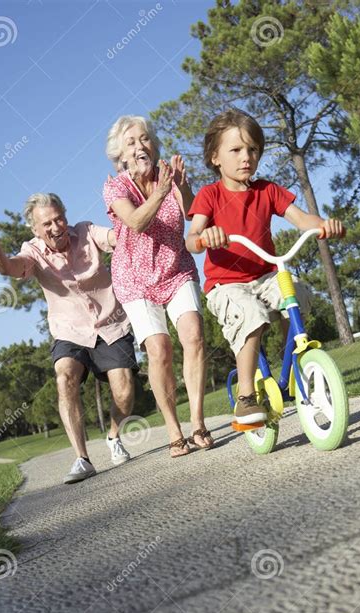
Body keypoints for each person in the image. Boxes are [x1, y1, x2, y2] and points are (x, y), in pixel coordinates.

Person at [186, 109, 345, 425]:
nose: (247, 157)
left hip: (265, 274)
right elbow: (191, 239)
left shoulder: (267, 191)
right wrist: (205, 236)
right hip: (226, 286)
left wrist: (324, 225)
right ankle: (246, 397)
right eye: (236, 150)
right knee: (251, 314)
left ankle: (296, 369)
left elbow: (301, 220)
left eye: (253, 149)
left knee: (296, 292)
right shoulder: (209, 195)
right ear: (215, 157)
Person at [0, 193, 137, 483]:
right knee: (64, 376)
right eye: (47, 223)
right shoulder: (32, 251)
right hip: (69, 331)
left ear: (66, 216)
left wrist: (131, 212)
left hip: (110, 323)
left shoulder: (85, 231)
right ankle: (82, 458)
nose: (56, 227)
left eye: (59, 218)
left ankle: (113, 436)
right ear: (34, 229)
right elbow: (6, 267)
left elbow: (116, 237)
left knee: (124, 388)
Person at [103, 115, 214, 457]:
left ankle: (197, 422)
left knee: (193, 335)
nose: (140, 146)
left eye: (145, 139)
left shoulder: (169, 173)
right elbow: (136, 221)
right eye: (132, 142)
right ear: (120, 155)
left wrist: (180, 185)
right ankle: (173, 429)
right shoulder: (116, 186)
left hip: (176, 267)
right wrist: (162, 191)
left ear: (155, 145)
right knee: (159, 349)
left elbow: (196, 214)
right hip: (134, 278)